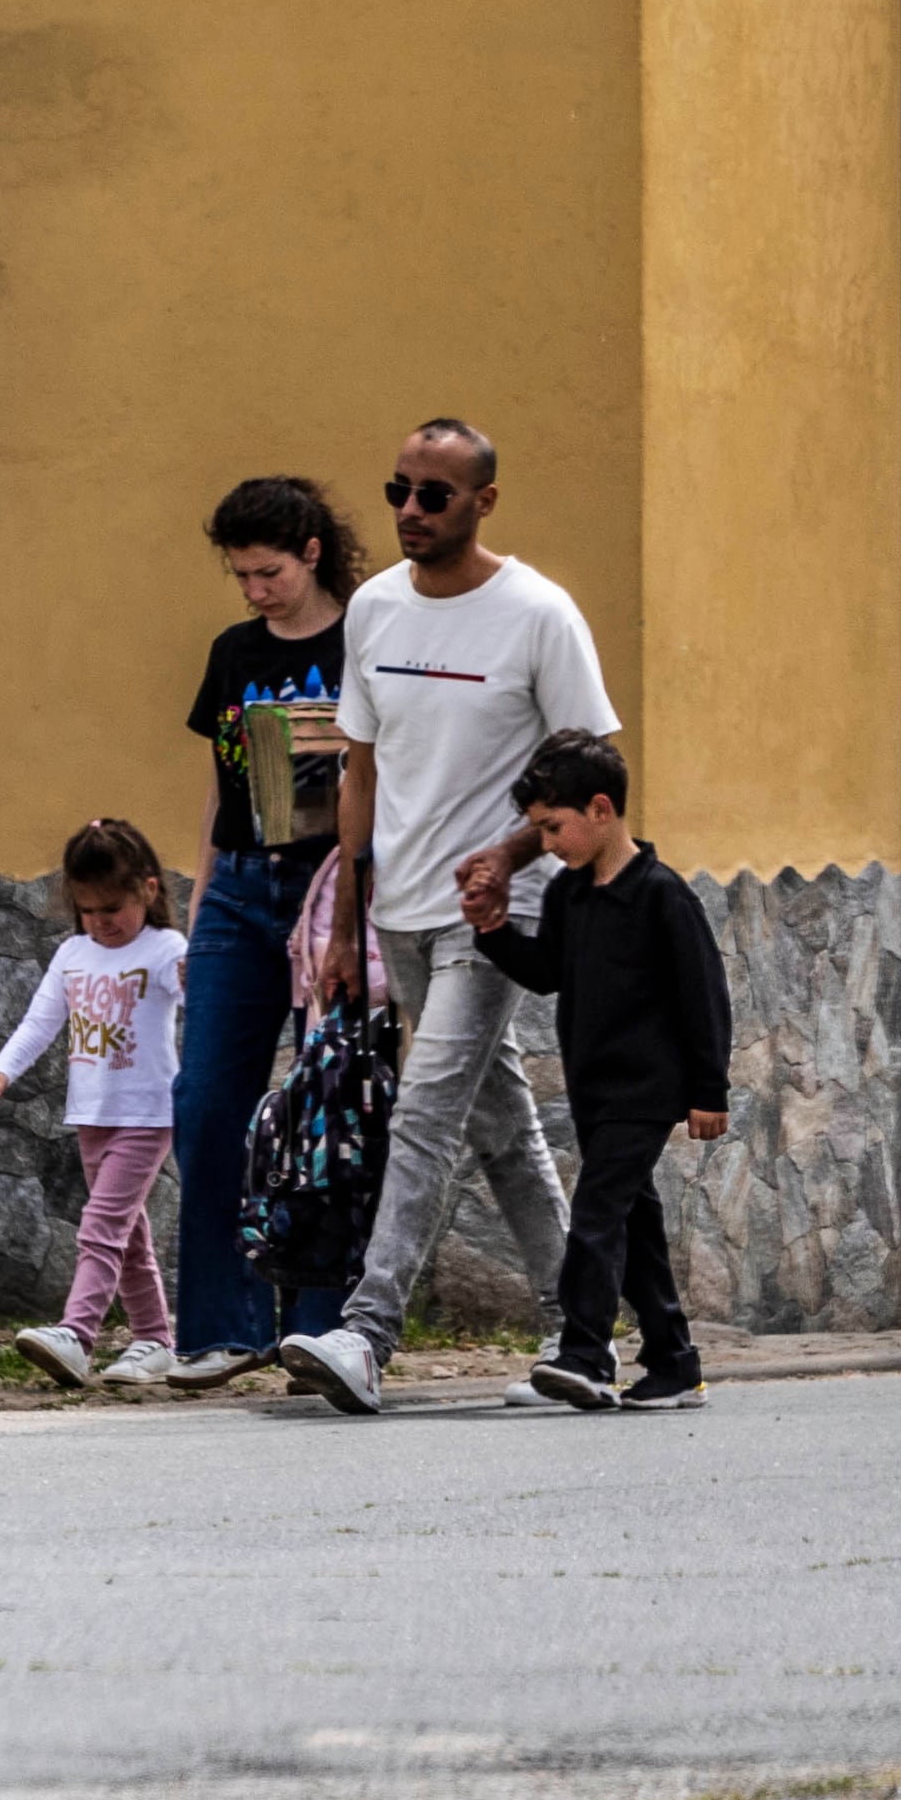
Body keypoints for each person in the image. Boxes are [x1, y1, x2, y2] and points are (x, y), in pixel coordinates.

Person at [276, 420, 618, 1417]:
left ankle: (365, 1332)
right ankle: (579, 1326)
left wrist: (511, 855)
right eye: (397, 491)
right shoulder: (375, 610)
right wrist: (344, 921)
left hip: (496, 916)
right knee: (499, 1128)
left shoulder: (537, 615)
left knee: (424, 1112)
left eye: (432, 495)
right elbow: (358, 769)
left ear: (482, 502)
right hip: (400, 911)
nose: (409, 512)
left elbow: (587, 767)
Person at [461, 734, 731, 1412]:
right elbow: (548, 973)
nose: (547, 842)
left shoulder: (663, 896)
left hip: (646, 1091)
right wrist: (493, 932)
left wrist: (708, 1090)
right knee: (633, 1226)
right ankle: (674, 1362)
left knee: (596, 1213)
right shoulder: (570, 896)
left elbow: (705, 996)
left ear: (602, 808)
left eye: (554, 826)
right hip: (593, 1089)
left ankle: (582, 1353)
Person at [163, 477, 360, 1387]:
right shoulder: (235, 651)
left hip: (332, 886)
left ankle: (317, 1328)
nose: (253, 590)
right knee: (206, 1100)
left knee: (323, 1110)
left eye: (268, 571)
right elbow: (221, 781)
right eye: (240, 574)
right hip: (241, 889)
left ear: (311, 551)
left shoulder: (369, 634)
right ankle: (219, 1326)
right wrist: (202, 896)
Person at [0, 818, 194, 1390]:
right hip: (91, 1115)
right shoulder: (74, 953)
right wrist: (1, 1067)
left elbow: (195, 999)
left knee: (100, 1226)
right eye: (89, 910)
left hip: (146, 1113)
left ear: (148, 890)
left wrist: (195, 977)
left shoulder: (165, 948)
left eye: (112, 908)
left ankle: (77, 1334)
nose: (101, 922)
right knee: (127, 1235)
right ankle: (154, 1340)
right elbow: (40, 1020)